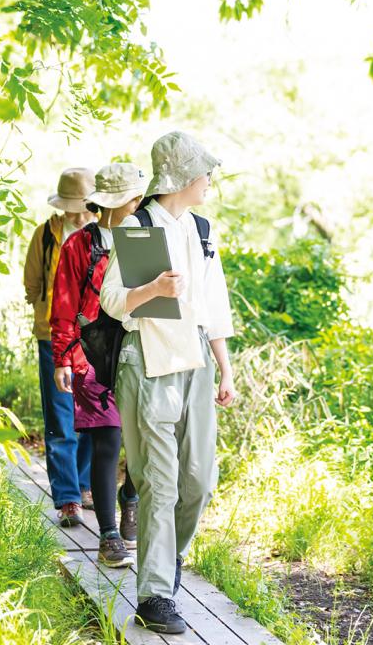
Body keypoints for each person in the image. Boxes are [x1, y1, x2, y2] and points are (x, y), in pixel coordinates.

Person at [100, 131, 236, 635]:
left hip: (195, 360)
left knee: (198, 479)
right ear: (182, 176)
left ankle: (167, 560)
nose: (210, 181)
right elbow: (112, 302)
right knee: (159, 481)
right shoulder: (137, 228)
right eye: (205, 172)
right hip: (148, 361)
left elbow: (214, 305)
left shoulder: (201, 229)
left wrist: (225, 366)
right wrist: (152, 288)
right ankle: (155, 593)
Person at [50, 163, 146, 568]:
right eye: (136, 200)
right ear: (118, 203)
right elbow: (64, 305)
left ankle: (130, 497)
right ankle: (108, 535)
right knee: (107, 441)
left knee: (140, 443)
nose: (142, 205)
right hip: (90, 356)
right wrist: (62, 358)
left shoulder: (143, 240)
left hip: (137, 352)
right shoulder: (79, 245)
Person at [23, 167, 96, 526]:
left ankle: (83, 485)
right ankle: (68, 497)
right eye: (70, 206)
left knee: (91, 417)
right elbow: (32, 281)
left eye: (80, 206)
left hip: (94, 339)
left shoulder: (101, 234)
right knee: (60, 415)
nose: (75, 213)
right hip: (52, 336)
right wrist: (45, 314)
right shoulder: (46, 235)